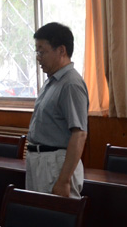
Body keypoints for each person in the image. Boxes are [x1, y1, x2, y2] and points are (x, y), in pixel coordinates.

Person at [26, 22, 88, 198]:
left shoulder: (71, 84)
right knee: (35, 213)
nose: (38, 58)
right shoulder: (52, 81)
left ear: (61, 50)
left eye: (42, 52)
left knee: (55, 214)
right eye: (37, 52)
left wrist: (64, 180)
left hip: (55, 164)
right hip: (40, 161)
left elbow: (79, 134)